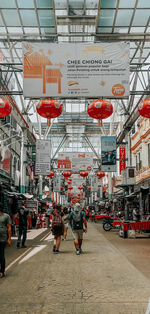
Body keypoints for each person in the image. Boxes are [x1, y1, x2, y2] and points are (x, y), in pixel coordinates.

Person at [0, 203, 11, 278]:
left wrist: (9, 239)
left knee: (1, 255)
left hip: (2, 238)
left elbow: (9, 227)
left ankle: (2, 271)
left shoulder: (6, 216)